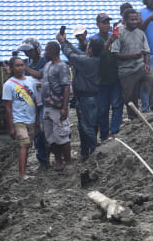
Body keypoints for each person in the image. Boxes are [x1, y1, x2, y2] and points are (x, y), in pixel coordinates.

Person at [57, 31, 102, 160]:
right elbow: (77, 53)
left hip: (86, 98)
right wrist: (66, 42)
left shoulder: (87, 61)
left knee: (87, 126)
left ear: (91, 49)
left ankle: (94, 151)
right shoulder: (93, 59)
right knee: (84, 125)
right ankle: (85, 151)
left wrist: (62, 43)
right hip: (88, 97)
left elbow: (72, 55)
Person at [110, 8, 153, 119]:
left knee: (152, 79)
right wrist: (132, 56)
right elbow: (115, 54)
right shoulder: (119, 33)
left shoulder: (141, 33)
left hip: (140, 66)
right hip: (126, 70)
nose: (135, 22)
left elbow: (146, 51)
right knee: (130, 98)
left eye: (136, 19)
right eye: (132, 20)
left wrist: (147, 64)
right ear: (125, 21)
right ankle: (134, 118)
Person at [15, 37, 49, 171]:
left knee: (45, 131)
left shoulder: (44, 62)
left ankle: (50, 158)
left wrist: (26, 69)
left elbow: (40, 75)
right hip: (32, 104)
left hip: (45, 102)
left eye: (29, 51)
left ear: (37, 50)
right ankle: (42, 161)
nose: (27, 54)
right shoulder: (27, 63)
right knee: (37, 133)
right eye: (26, 52)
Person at [3, 57, 38, 180]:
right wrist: (11, 127)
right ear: (12, 68)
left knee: (28, 146)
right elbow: (8, 107)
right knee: (24, 144)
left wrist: (37, 120)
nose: (20, 68)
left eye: (22, 65)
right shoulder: (8, 84)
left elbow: (35, 100)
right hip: (18, 119)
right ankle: (22, 175)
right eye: (17, 66)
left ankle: (24, 171)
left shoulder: (30, 81)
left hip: (31, 119)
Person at [91, 13, 122, 141]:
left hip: (115, 76)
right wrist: (109, 41)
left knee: (117, 105)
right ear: (98, 24)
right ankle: (104, 135)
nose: (107, 25)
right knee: (103, 109)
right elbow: (98, 55)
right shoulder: (93, 39)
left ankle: (114, 132)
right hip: (100, 79)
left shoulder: (114, 36)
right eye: (104, 23)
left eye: (108, 23)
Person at [41, 41, 72, 171]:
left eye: (47, 50)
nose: (45, 53)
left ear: (53, 51)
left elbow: (66, 87)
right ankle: (58, 161)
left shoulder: (62, 66)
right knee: (51, 137)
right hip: (47, 106)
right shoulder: (48, 65)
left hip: (58, 106)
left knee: (62, 135)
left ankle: (68, 162)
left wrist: (64, 107)